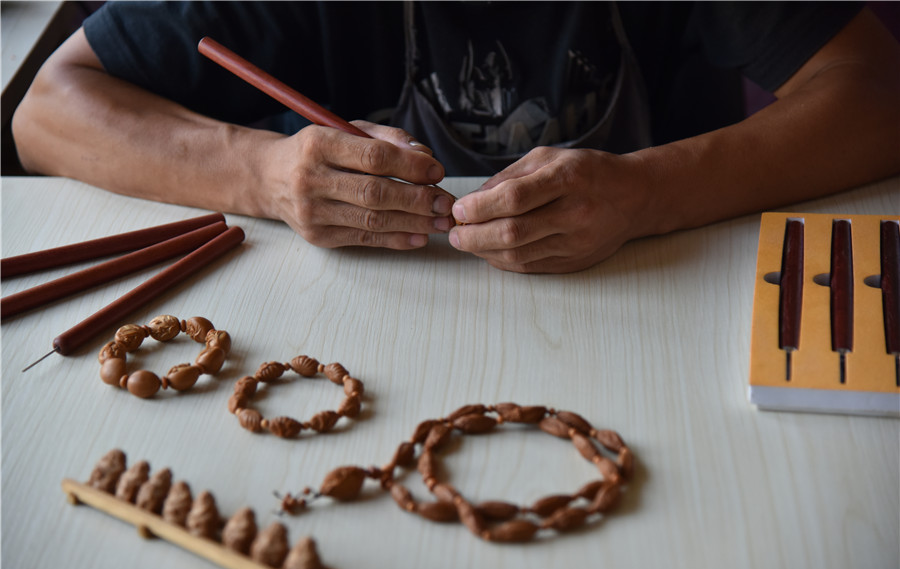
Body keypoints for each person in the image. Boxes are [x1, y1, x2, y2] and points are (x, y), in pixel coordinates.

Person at [11, 1, 900, 273]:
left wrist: (649, 191)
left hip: (671, 293)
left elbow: (874, 94)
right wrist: (267, 173)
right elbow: (48, 109)